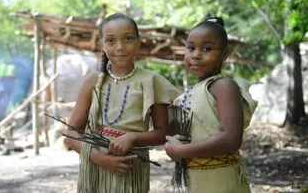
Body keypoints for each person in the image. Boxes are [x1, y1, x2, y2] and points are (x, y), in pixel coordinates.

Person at [65, 13, 180, 193]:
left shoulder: (151, 81)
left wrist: (132, 137)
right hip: (94, 170)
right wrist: (100, 159)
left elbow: (161, 134)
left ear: (138, 42)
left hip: (130, 169)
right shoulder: (92, 82)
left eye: (127, 38)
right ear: (102, 45)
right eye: (111, 41)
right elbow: (71, 135)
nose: (120, 47)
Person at [165, 17, 257, 193]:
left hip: (221, 180)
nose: (196, 54)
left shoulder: (223, 86)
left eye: (207, 48)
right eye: (191, 48)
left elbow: (231, 139)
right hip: (199, 179)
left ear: (224, 54)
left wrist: (183, 151)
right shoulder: (191, 91)